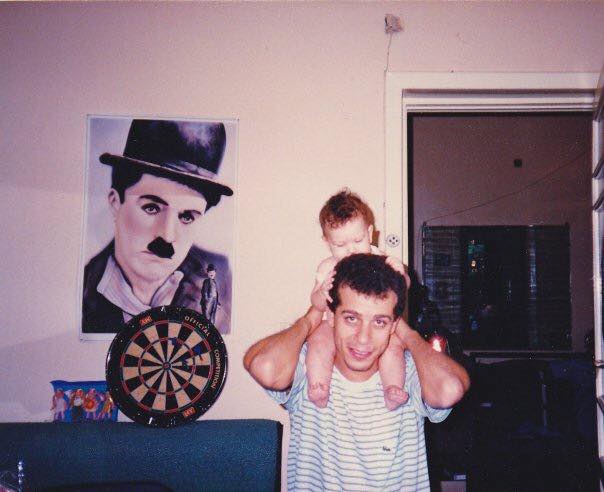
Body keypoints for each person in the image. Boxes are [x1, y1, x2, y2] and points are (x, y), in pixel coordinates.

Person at [244, 253, 470, 491]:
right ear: (332, 316)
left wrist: (407, 335)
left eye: (380, 322)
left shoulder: (408, 373)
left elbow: (449, 389)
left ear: (394, 325)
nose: (363, 338)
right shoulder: (310, 368)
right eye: (351, 318)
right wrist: (312, 317)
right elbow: (265, 367)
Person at [82, 119, 233, 334]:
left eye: (187, 217)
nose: (167, 236)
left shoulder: (223, 280)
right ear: (116, 203)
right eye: (151, 208)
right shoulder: (80, 291)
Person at [306, 189, 410, 410]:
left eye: (358, 240)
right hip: (333, 324)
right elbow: (316, 303)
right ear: (327, 241)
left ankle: (392, 388)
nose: (351, 250)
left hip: (376, 323)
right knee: (318, 341)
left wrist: (402, 274)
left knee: (394, 346)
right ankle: (318, 386)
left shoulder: (381, 260)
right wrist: (322, 292)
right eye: (340, 245)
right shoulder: (328, 267)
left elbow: (404, 289)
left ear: (370, 232)